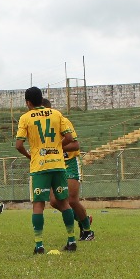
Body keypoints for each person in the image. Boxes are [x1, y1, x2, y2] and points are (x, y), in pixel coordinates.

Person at [15, 86, 78, 253]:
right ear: (41, 99)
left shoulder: (25, 118)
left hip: (40, 166)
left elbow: (19, 145)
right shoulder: (56, 114)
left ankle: (39, 245)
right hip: (58, 164)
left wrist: (30, 156)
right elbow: (70, 138)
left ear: (28, 102)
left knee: (38, 204)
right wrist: (56, 146)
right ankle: (72, 241)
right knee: (64, 202)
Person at [42, 98, 94, 240]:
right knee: (54, 201)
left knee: (71, 200)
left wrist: (56, 147)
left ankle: (88, 231)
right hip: (55, 164)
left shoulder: (62, 121)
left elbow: (75, 145)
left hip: (70, 163)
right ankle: (83, 220)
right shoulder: (40, 127)